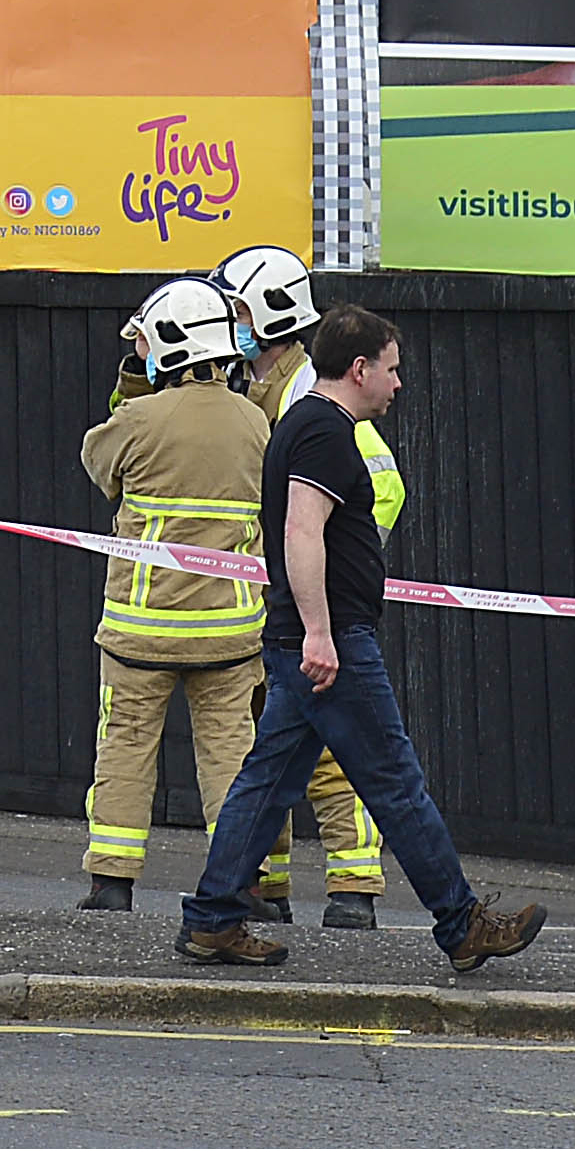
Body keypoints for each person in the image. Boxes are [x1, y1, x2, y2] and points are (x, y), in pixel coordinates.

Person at [174, 307, 543, 977]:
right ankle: (461, 924)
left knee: (267, 782)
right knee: (394, 781)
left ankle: (211, 920)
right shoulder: (322, 430)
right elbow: (301, 532)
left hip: (305, 636)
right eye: (392, 368)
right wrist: (319, 632)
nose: (397, 383)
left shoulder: (306, 424)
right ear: (359, 367)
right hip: (330, 641)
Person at [77, 277, 269, 914]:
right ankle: (240, 883)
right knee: (231, 758)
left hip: (143, 629)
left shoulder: (138, 419)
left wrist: (133, 381)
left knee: (127, 746)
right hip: (228, 631)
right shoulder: (256, 422)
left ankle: (112, 882)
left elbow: (99, 466)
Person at [216, 245, 387, 930]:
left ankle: (354, 887)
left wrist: (328, 578)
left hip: (313, 612)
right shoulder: (247, 384)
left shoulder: (301, 396)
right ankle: (268, 886)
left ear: (267, 312)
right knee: (282, 751)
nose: (228, 322)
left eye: (236, 311)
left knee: (337, 753)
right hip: (283, 607)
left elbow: (381, 488)